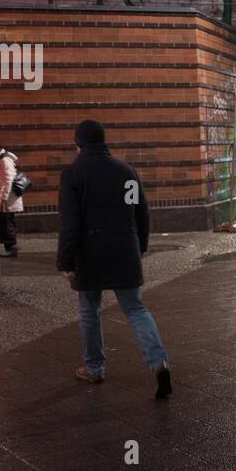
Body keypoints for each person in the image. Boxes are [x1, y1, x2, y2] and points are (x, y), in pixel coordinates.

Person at [57, 120, 172, 399]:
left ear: (78, 144)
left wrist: (66, 261)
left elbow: (70, 222)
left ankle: (94, 369)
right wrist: (141, 244)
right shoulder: (126, 171)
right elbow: (140, 211)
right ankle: (159, 364)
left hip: (90, 252)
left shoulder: (74, 174)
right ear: (104, 141)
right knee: (135, 308)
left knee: (89, 311)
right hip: (124, 249)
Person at [0, 144, 22, 258]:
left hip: (7, 198)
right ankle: (9, 247)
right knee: (5, 222)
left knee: (8, 222)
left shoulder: (4, 159)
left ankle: (11, 248)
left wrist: (4, 197)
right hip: (3, 197)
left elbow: (8, 180)